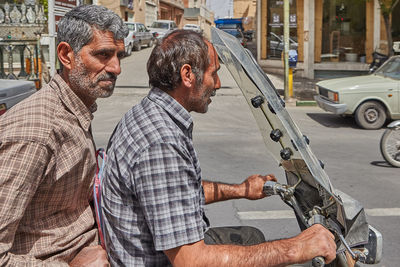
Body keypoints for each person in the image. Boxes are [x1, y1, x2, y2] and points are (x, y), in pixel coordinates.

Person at [101, 30, 336, 266]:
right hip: (165, 260)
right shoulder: (161, 143)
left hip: (159, 249)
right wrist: (295, 248)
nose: (218, 84)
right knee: (274, 254)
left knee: (252, 236)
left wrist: (242, 190)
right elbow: (190, 261)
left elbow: (177, 192)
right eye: (214, 74)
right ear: (187, 75)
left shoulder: (150, 113)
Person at [0, 5, 127, 266]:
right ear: (66, 55)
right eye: (103, 55)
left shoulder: (77, 108)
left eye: (119, 56)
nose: (116, 68)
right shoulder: (36, 131)